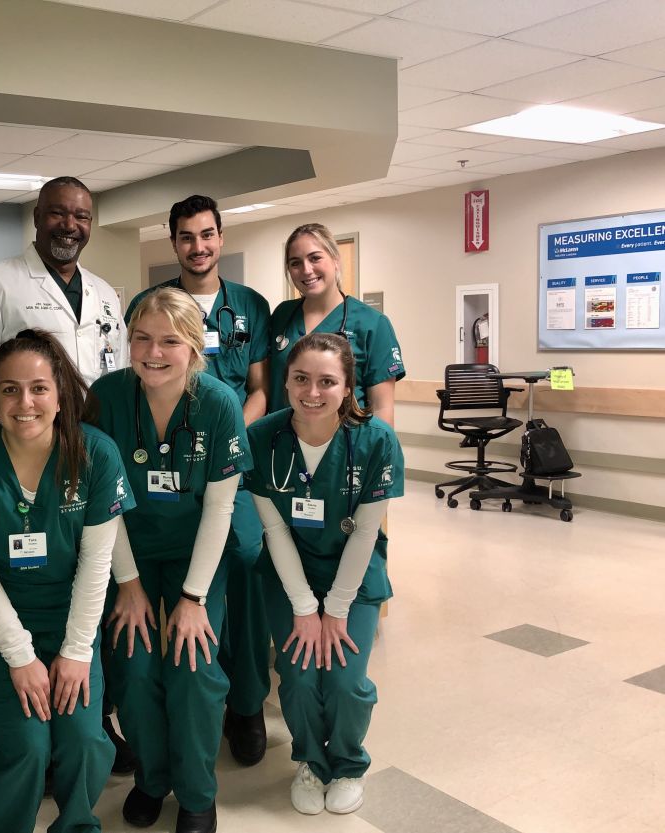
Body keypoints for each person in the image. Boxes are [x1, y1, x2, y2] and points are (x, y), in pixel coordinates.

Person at [0, 329, 135, 833]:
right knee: (27, 745)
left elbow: (97, 565)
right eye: (9, 389)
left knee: (85, 741)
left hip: (71, 619)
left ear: (60, 393)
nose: (24, 402)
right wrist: (20, 656)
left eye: (38, 388)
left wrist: (76, 652)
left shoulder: (95, 453)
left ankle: (76, 825)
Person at [88, 287, 251, 833]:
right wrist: (130, 586)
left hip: (195, 558)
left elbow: (221, 509)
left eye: (169, 341)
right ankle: (153, 780)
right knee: (133, 669)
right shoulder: (107, 398)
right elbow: (103, 501)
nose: (152, 352)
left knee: (193, 668)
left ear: (194, 347)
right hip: (127, 554)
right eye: (141, 338)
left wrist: (193, 598)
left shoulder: (219, 403)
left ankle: (199, 795)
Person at [125, 195, 272, 767]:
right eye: (186, 237)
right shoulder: (151, 304)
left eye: (207, 234)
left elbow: (260, 387)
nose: (199, 246)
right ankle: (171, 702)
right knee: (171, 567)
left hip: (227, 457)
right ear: (174, 243)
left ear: (220, 235)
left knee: (244, 554)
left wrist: (228, 429)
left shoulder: (250, 307)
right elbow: (141, 373)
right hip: (166, 462)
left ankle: (247, 701)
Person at [244, 332, 403, 816]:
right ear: (286, 382)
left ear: (348, 387)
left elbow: (365, 534)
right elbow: (273, 529)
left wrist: (334, 608)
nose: (312, 392)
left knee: (344, 679)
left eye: (327, 381)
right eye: (301, 379)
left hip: (352, 577)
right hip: (289, 572)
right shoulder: (263, 438)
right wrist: (304, 606)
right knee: (295, 675)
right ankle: (311, 762)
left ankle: (349, 763)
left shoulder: (375, 440)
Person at [0, 176, 127, 443]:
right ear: (37, 217)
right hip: (22, 438)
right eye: (58, 213)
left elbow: (120, 371)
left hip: (95, 439)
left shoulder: (104, 292)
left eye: (81, 216)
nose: (70, 225)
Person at [268, 223, 405, 424]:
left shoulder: (372, 324)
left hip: (345, 444)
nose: (306, 270)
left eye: (315, 258)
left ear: (335, 260)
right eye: (295, 263)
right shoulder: (282, 315)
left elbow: (382, 406)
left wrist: (379, 453)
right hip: (283, 443)